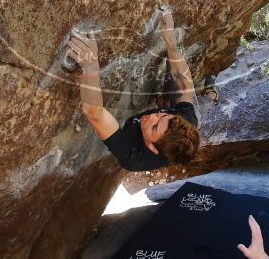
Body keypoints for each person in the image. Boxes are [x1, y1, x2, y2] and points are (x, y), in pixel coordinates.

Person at [67, 9, 200, 171]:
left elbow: (95, 113)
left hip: (138, 141)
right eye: (162, 115)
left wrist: (91, 67)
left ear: (152, 148)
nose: (151, 117)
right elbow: (186, 86)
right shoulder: (185, 122)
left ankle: (162, 102)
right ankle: (163, 99)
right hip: (177, 106)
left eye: (154, 127)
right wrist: (170, 40)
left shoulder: (133, 157)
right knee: (176, 82)